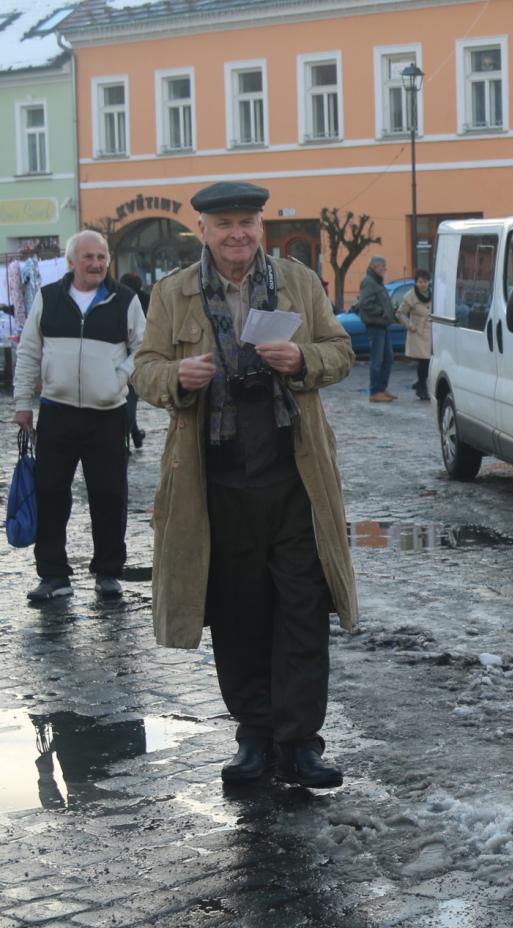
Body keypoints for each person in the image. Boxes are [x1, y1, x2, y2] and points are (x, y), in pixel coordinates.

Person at [131, 181, 358, 788]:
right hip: (218, 482)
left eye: (248, 222)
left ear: (262, 227)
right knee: (238, 616)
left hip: (294, 477)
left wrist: (303, 360)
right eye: (225, 223)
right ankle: (254, 737)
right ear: (202, 230)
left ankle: (301, 743)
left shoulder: (298, 283)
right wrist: (177, 374)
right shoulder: (172, 293)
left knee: (303, 612)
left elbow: (340, 349)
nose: (238, 233)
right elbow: (143, 371)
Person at [12, 230, 145, 603]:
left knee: (109, 493)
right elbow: (29, 353)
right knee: (51, 492)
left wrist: (119, 377)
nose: (97, 264)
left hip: (107, 415)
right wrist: (23, 402)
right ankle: (53, 575)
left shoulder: (125, 300)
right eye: (88, 257)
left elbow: (143, 348)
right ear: (72, 262)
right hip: (57, 412)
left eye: (102, 257)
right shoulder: (49, 297)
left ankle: (108, 572)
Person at [117, 272, 150, 450]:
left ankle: (129, 439)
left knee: (127, 401)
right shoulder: (146, 299)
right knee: (130, 400)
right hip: (137, 356)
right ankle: (134, 436)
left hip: (123, 357)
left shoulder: (118, 300)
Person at [357, 255, 397, 402]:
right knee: (377, 359)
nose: (385, 269)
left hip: (383, 325)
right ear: (375, 266)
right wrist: (382, 312)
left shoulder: (377, 281)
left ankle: (381, 389)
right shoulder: (369, 282)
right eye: (383, 266)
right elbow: (364, 303)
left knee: (388, 358)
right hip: (375, 326)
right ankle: (375, 391)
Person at [395, 269, 432, 401]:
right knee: (424, 361)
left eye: (425, 281)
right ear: (416, 282)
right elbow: (400, 314)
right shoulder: (410, 296)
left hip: (431, 332)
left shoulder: (432, 293)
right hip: (418, 332)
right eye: (420, 282)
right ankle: (422, 387)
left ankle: (420, 383)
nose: (423, 284)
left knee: (428, 362)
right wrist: (410, 325)